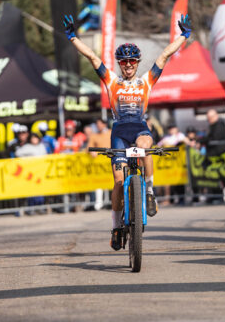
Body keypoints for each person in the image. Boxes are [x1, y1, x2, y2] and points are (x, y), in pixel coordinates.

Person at [63, 13, 191, 251]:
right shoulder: (111, 80)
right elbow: (91, 56)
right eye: (124, 62)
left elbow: (164, 55)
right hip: (120, 132)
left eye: (132, 61)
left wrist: (183, 36)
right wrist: (72, 38)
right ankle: (115, 226)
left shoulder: (146, 81)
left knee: (145, 147)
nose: (129, 65)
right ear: (120, 64)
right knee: (119, 182)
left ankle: (149, 191)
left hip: (140, 128)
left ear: (138, 63)